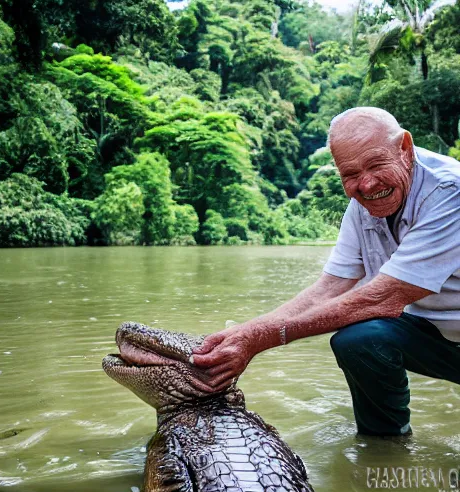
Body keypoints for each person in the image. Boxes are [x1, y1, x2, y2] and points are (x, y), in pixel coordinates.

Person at [191, 106, 460, 437]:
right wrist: (243, 332)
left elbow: (385, 298)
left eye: (376, 165)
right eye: (350, 174)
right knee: (358, 341)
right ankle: (384, 446)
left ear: (405, 148)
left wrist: (259, 339)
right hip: (438, 336)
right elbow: (329, 287)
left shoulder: (450, 192)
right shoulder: (364, 205)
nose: (367, 184)